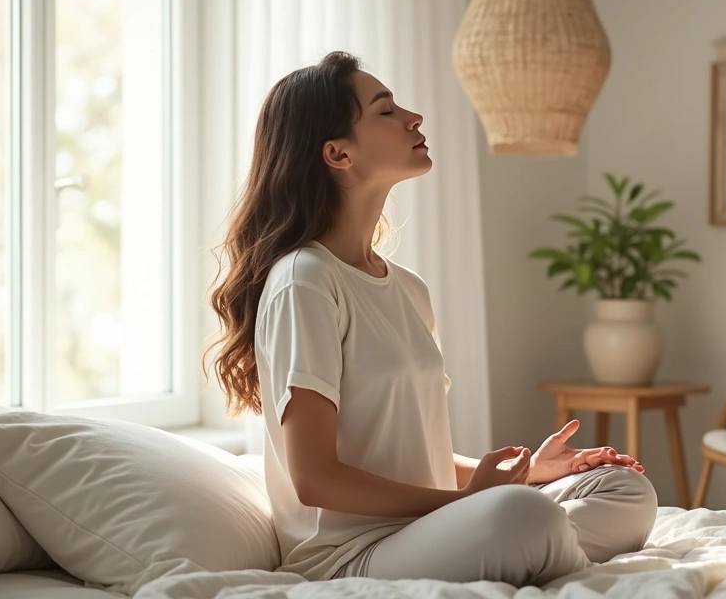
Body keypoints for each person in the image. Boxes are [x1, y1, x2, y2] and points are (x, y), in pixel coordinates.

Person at [207, 51, 658, 588]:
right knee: (524, 516)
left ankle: (541, 551)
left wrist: (535, 471)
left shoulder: (408, 287)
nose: (413, 118)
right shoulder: (304, 280)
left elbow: (417, 460)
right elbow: (315, 480)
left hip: (428, 527)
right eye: (385, 111)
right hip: (353, 556)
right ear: (337, 153)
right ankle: (545, 551)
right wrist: (470, 501)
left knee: (625, 490)